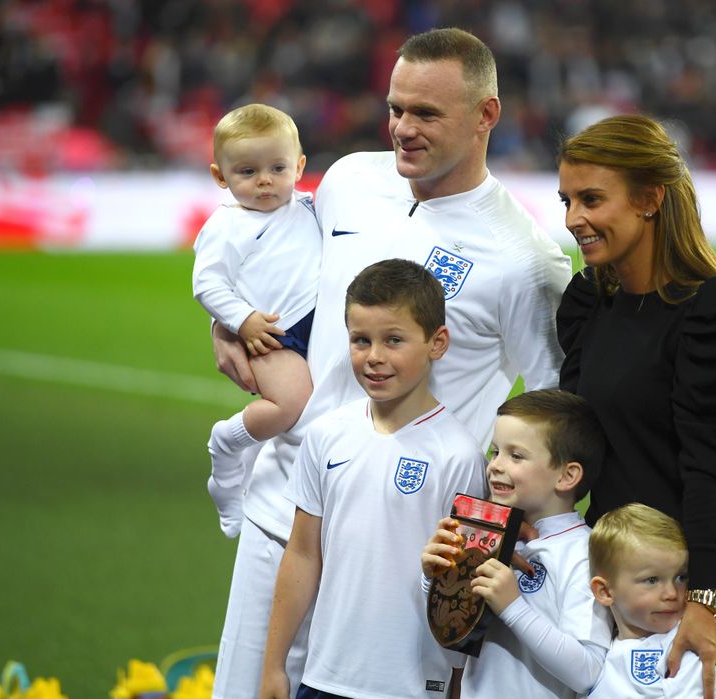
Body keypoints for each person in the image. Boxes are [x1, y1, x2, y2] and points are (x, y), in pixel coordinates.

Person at [210, 28, 571, 699]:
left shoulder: (525, 261)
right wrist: (226, 319)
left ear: (486, 115)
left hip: (404, 551)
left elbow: (552, 412)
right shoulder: (348, 180)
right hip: (283, 508)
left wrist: (515, 538)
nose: (402, 128)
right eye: (395, 108)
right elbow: (277, 258)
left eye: (426, 113)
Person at [555, 114, 716, 699]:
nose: (572, 220)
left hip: (713, 587)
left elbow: (708, 470)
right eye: (566, 200)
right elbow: (573, 449)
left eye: (591, 199)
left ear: (649, 199)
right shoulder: (591, 298)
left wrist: (706, 602)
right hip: (618, 588)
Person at [260, 259, 487, 699]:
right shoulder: (327, 434)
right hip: (323, 676)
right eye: (360, 340)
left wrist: (458, 688)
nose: (374, 357)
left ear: (437, 343)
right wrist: (273, 665)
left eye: (394, 340)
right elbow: (303, 554)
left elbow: (462, 590)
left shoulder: (459, 456)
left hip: (412, 686)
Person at [421, 389, 613, 698]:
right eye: (495, 451)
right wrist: (436, 578)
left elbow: (589, 672)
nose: (495, 465)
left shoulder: (583, 553)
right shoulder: (486, 537)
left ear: (567, 476)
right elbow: (456, 638)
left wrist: (513, 606)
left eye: (516, 455)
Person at [192, 103, 319, 538]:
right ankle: (228, 445)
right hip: (271, 334)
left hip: (317, 328)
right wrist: (241, 322)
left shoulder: (312, 208)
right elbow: (207, 285)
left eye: (277, 167)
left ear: (300, 166)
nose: (265, 180)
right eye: (247, 171)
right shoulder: (225, 226)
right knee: (290, 405)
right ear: (220, 177)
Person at [587, 502, 716, 698]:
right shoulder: (597, 651)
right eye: (652, 580)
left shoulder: (683, 651)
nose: (672, 593)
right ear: (604, 591)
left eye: (681, 577)